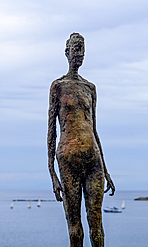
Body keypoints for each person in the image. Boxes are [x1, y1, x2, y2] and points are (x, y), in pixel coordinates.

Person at [47, 33, 115, 247]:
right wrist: (52, 173)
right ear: (67, 53)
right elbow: (51, 131)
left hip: (93, 159)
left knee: (97, 225)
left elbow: (94, 129)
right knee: (75, 228)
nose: (79, 55)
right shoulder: (58, 86)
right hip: (68, 160)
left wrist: (105, 169)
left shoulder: (90, 88)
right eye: (76, 51)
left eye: (82, 52)